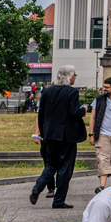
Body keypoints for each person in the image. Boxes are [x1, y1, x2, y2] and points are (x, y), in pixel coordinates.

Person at [31, 65, 88, 209]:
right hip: (67, 136)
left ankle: (38, 186)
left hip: (50, 135)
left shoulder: (47, 91)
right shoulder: (72, 92)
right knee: (65, 168)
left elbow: (41, 113)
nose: (75, 77)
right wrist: (84, 110)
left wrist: (43, 133)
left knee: (50, 164)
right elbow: (74, 112)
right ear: (69, 76)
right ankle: (58, 200)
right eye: (74, 75)